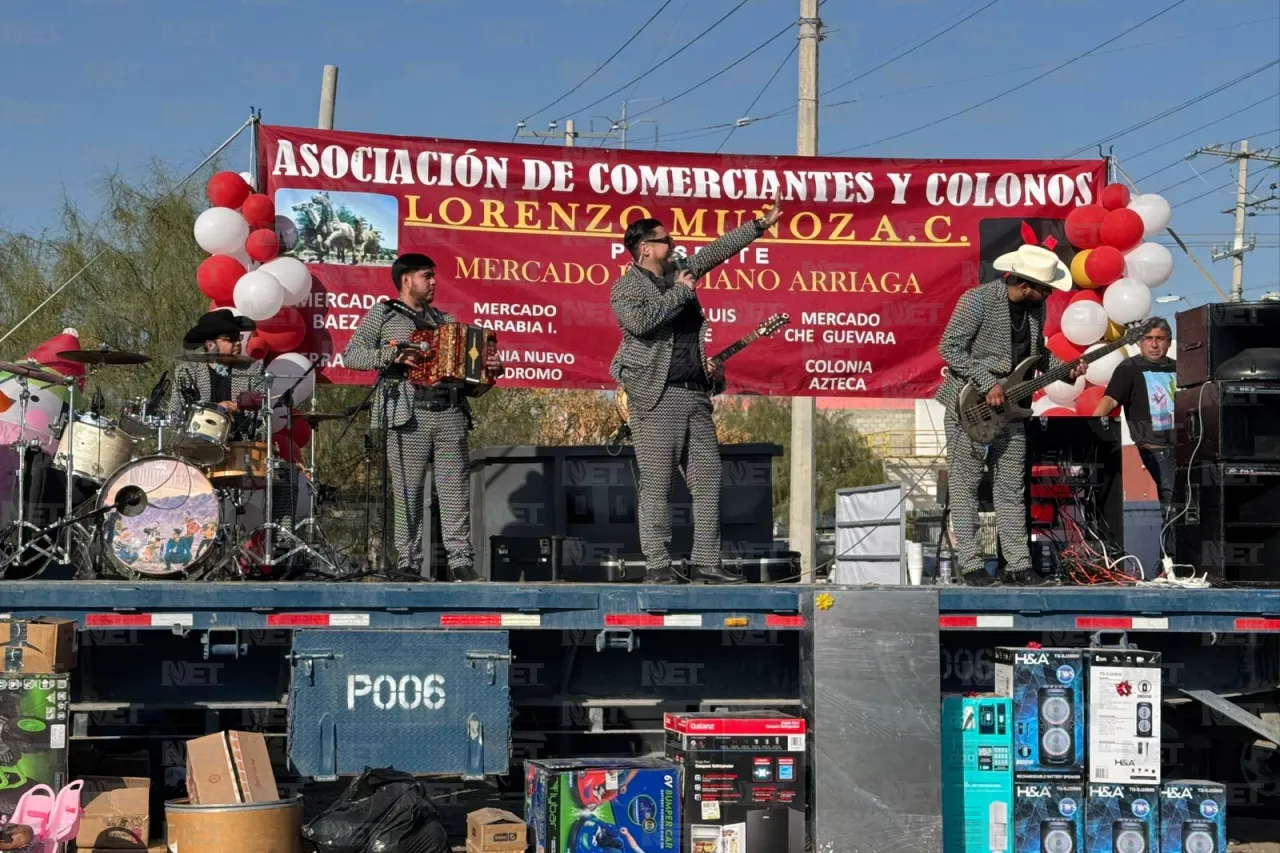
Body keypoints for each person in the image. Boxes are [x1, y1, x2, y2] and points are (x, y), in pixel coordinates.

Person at [609, 200, 782, 585]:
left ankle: (706, 560)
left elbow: (716, 251)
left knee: (708, 478)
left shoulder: (679, 272)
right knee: (658, 483)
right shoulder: (627, 286)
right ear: (645, 249)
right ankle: (657, 563)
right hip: (656, 395)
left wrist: (758, 226)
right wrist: (680, 293)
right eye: (665, 240)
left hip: (694, 393)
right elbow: (640, 324)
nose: (673, 245)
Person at [343, 253, 504, 582]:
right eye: (426, 276)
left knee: (455, 491)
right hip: (408, 414)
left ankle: (460, 561)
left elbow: (465, 370)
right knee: (407, 492)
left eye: (433, 277)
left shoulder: (443, 320)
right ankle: (409, 562)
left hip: (450, 412)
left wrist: (488, 369)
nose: (433, 283)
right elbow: (352, 354)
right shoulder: (384, 313)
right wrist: (394, 354)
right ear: (406, 280)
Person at [935, 244, 1083, 587]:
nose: (1049, 295)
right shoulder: (978, 300)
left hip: (1013, 407)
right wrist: (987, 382)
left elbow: (1037, 355)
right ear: (1026, 286)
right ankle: (970, 564)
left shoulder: (1036, 310)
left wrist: (1066, 370)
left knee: (1010, 488)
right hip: (968, 406)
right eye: (1045, 289)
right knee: (965, 485)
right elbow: (949, 346)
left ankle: (1017, 565)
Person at [170, 309, 296, 532]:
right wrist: (217, 408)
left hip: (241, 448)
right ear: (210, 344)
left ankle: (277, 543)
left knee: (287, 475)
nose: (238, 343)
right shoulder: (187, 372)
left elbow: (264, 417)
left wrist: (248, 410)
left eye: (239, 337)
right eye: (230, 339)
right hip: (199, 450)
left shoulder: (253, 370)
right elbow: (174, 417)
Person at [1093, 317, 1176, 563]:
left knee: (1185, 503)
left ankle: (1173, 562)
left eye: (1159, 339)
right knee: (1173, 501)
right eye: (1148, 339)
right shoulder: (1129, 368)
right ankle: (1171, 563)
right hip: (1155, 447)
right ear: (1140, 343)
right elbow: (1110, 400)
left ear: (1168, 342)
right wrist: (1089, 427)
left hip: (1186, 447)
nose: (1153, 344)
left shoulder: (1178, 368)